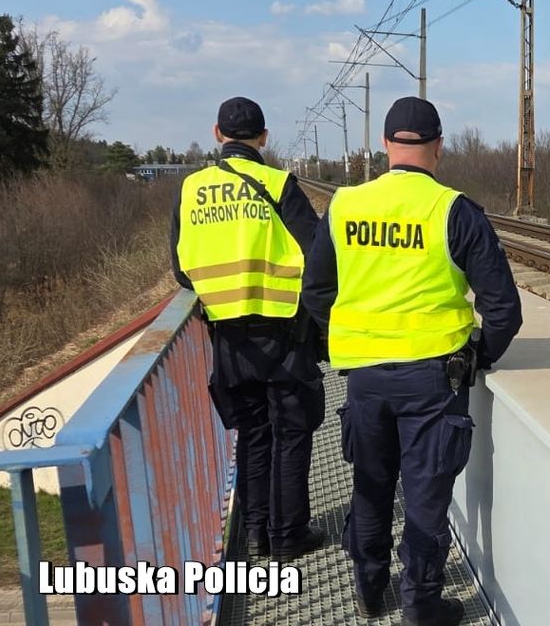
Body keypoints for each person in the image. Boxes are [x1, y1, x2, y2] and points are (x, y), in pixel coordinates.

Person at [301, 96, 523, 625]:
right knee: (426, 497)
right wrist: (478, 355)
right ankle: (421, 606)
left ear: (384, 145)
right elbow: (503, 310)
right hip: (434, 379)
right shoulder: (453, 210)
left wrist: (351, 340)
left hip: (366, 379)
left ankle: (369, 588)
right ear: (438, 147)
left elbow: (315, 293)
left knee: (372, 486)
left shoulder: (344, 206)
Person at [171, 97, 327, 561]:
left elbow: (181, 269)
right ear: (263, 137)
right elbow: (317, 255)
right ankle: (288, 535)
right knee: (291, 432)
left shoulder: (190, 188)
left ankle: (257, 532)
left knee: (255, 435)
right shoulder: (277, 183)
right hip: (282, 332)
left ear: (218, 134)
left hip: (228, 338)